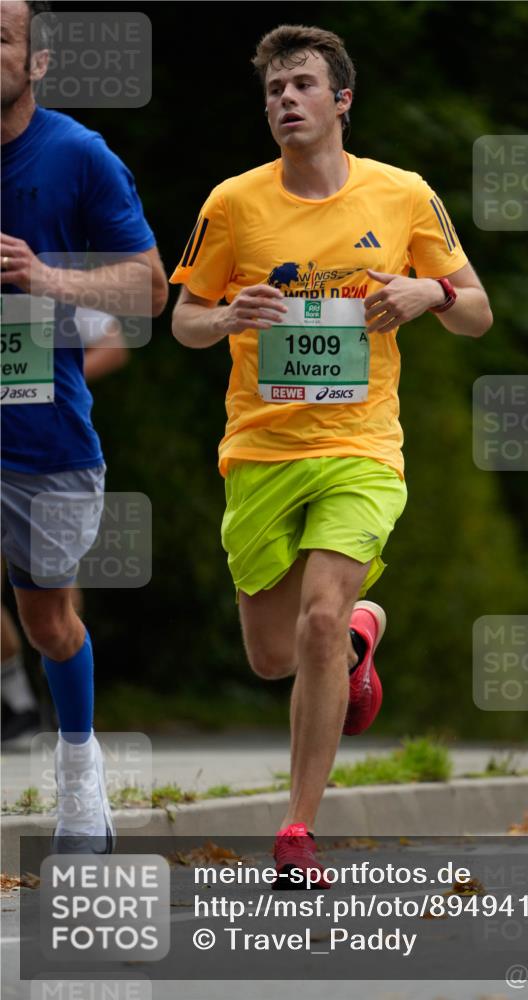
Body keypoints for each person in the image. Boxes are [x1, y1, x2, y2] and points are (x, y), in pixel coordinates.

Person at [171, 24, 491, 885]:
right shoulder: (233, 203)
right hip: (261, 449)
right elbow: (184, 323)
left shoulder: (402, 195)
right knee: (274, 656)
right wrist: (228, 316)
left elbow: (476, 311)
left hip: (361, 446)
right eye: (275, 90)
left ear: (341, 101)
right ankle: (359, 637)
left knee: (314, 615)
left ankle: (296, 830)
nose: (286, 101)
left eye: (303, 86)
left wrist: (431, 291)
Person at [0, 0, 168, 850]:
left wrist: (46, 279)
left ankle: (78, 777)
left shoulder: (76, 157)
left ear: (38, 63)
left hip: (44, 437)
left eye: (1, 38)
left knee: (48, 624)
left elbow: (149, 289)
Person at [1, 307, 129, 749]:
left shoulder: (48, 272)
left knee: (54, 599)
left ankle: (63, 697)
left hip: (50, 453)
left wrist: (60, 379)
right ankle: (17, 700)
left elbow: (114, 343)